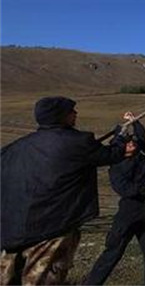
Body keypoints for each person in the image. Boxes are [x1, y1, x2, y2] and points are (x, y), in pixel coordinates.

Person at [1, 96, 125, 285]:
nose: (76, 114)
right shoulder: (78, 142)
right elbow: (112, 154)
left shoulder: (13, 149)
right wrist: (121, 137)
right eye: (71, 111)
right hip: (51, 230)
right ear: (61, 116)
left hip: (11, 233)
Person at [84, 113, 145, 285]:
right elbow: (126, 189)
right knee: (113, 252)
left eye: (132, 141)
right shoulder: (116, 167)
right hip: (130, 211)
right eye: (127, 142)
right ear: (120, 148)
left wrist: (134, 121)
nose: (132, 143)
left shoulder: (142, 152)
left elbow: (141, 135)